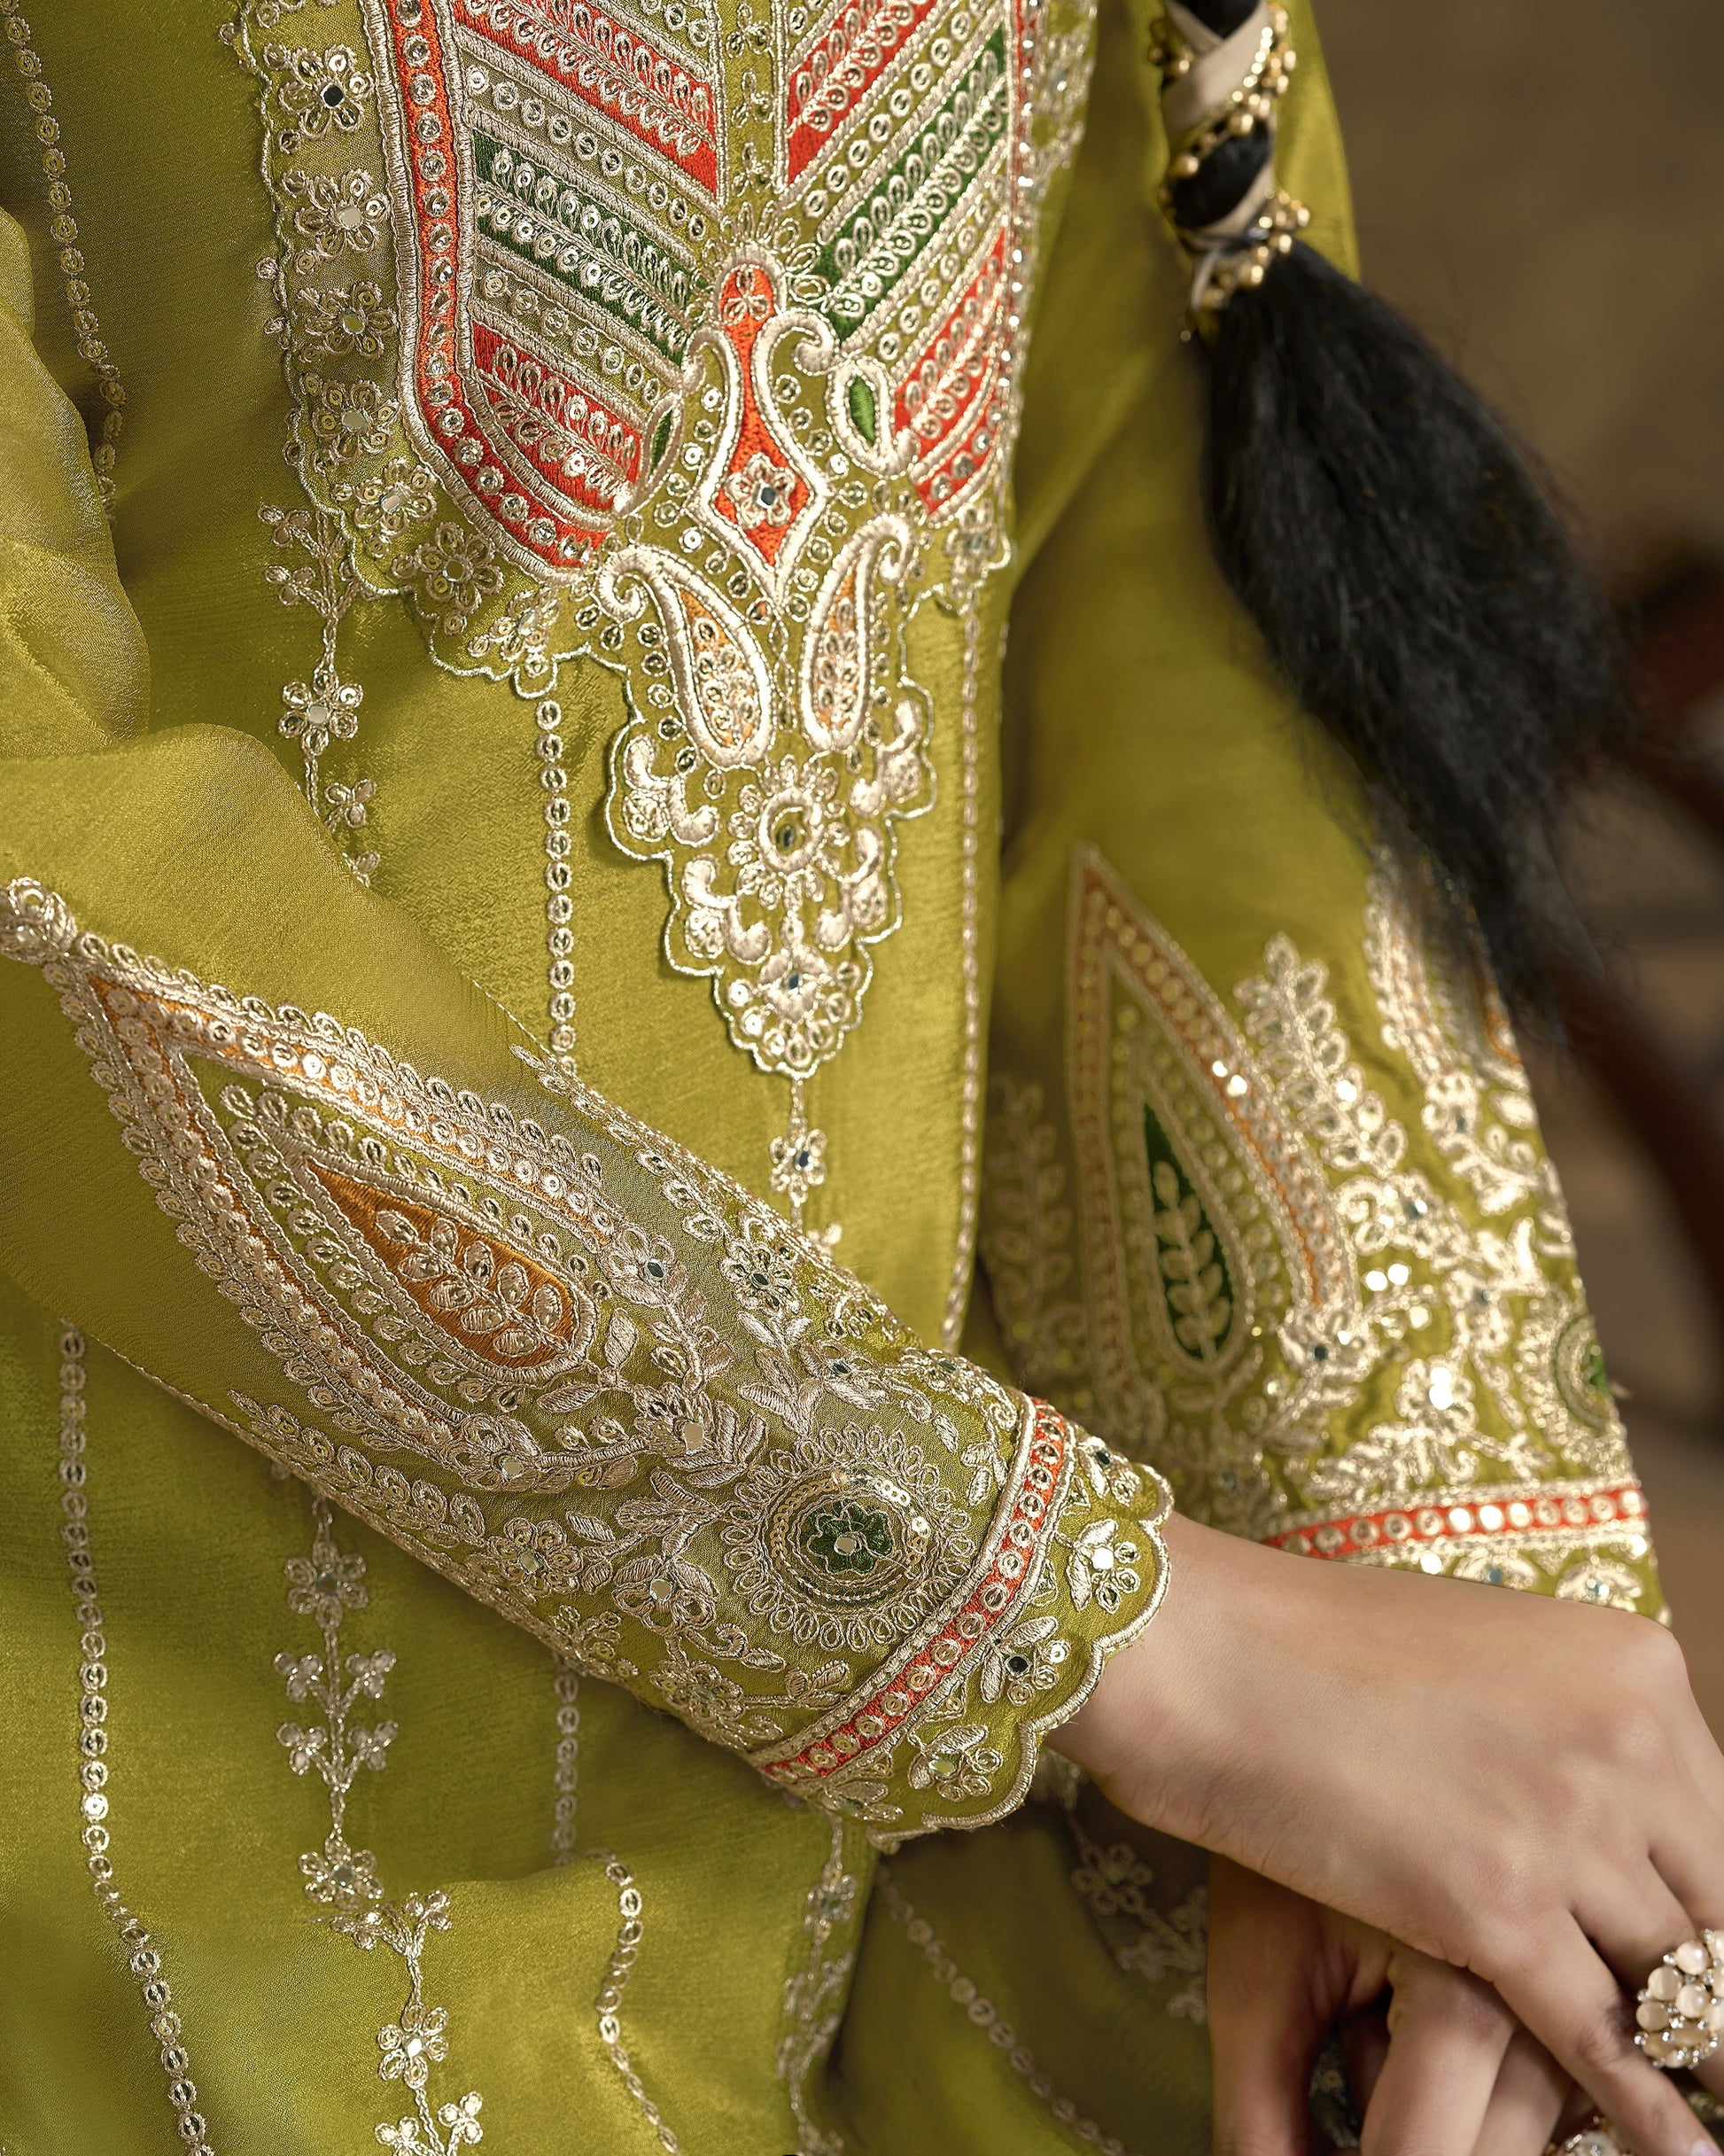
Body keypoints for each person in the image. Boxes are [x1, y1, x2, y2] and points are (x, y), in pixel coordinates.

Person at [0, 0, 1719, 2149]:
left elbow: (1174, 573)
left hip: (927, 1828)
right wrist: (1103, 1622)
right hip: (160, 1780)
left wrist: (1424, 1657)